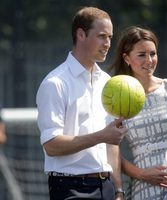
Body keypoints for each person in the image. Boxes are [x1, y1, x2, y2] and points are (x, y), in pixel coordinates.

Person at [36, 6, 128, 200]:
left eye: (110, 37)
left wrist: (118, 189)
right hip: (71, 188)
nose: (108, 43)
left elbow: (111, 143)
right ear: (81, 34)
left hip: (107, 187)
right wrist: (102, 136)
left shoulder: (106, 82)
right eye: (102, 36)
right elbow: (51, 145)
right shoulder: (55, 83)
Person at [110, 26, 167, 199]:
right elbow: (112, 152)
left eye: (153, 53)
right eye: (141, 55)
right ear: (127, 58)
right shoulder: (118, 100)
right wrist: (142, 174)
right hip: (144, 185)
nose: (149, 60)